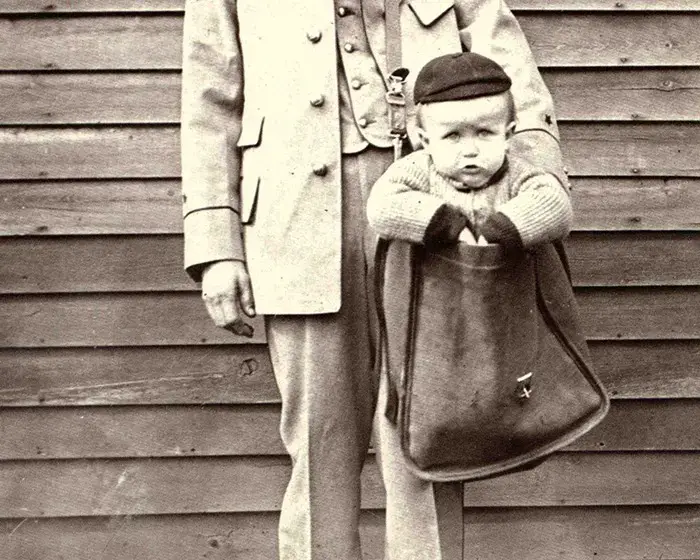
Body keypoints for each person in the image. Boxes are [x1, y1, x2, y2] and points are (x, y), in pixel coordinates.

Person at [180, 1, 568, 559]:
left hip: (437, 207)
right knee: (319, 444)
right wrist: (216, 245)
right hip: (295, 216)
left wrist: (533, 187)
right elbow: (209, 98)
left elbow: (512, 70)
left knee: (429, 436)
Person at [367, 51, 572, 250]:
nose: (470, 150)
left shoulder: (518, 173)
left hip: (506, 281)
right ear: (426, 141)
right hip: (436, 280)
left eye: (484, 133)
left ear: (508, 135)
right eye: (453, 136)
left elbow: (555, 204)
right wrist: (445, 225)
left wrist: (501, 231)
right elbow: (381, 207)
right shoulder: (417, 169)